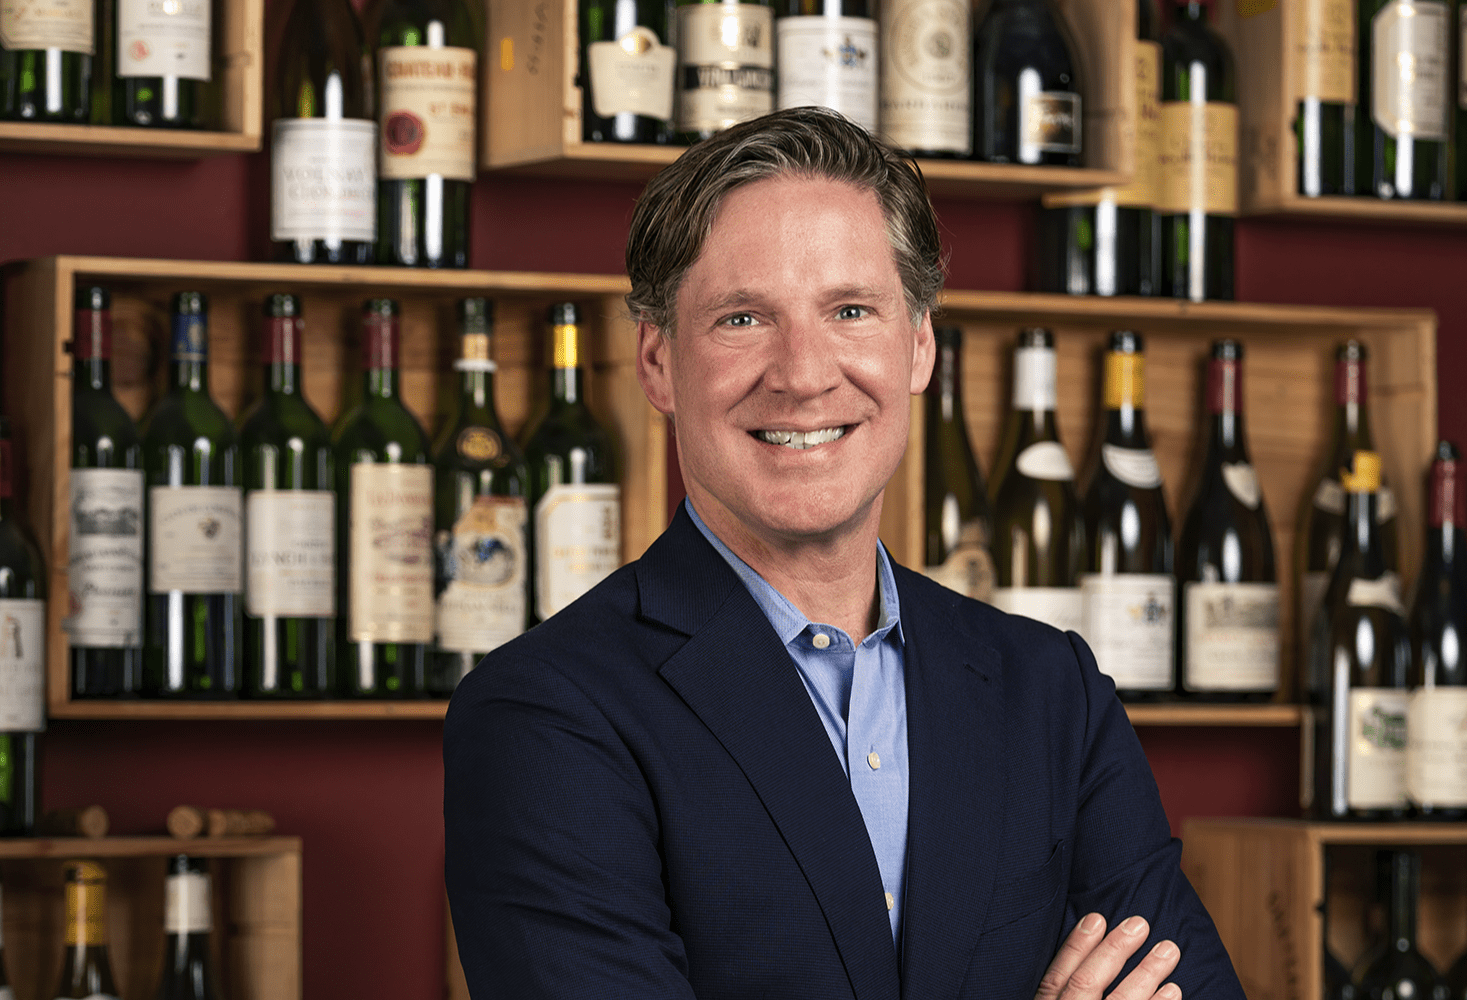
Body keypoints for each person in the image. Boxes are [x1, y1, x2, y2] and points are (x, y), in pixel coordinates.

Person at [445, 107, 1247, 1000]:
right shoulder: (546, 718)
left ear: (918, 347)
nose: (804, 373)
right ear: (658, 362)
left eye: (851, 310)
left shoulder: (1050, 690)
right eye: (744, 318)